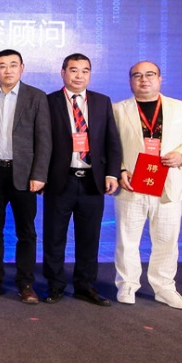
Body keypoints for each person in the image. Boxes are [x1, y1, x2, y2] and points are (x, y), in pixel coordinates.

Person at [113, 61, 182, 309]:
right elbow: (109, 145)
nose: (144, 80)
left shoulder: (180, 107)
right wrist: (119, 169)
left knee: (166, 240)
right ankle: (127, 285)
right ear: (130, 81)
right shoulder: (117, 109)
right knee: (127, 240)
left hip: (168, 184)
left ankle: (164, 288)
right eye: (137, 75)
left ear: (160, 78)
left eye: (150, 74)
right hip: (132, 184)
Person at [41, 53, 122, 306]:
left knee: (89, 237)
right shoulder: (48, 101)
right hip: (59, 180)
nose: (79, 76)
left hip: (92, 181)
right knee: (54, 236)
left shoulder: (101, 101)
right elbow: (40, 142)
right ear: (63, 72)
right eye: (73, 70)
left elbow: (112, 141)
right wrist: (39, 176)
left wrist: (112, 173)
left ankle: (85, 286)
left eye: (85, 71)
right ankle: (55, 285)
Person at [0, 49, 50, 304]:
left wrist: (39, 174)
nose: (8, 70)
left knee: (26, 232)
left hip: (25, 174)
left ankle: (26, 283)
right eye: (2, 65)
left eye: (13, 65)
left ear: (22, 68)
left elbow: (44, 139)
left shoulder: (36, 97)